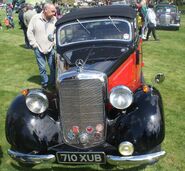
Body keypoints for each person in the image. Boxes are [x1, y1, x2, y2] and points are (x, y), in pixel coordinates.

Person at [27, 3, 57, 89]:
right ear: (45, 10)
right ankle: (45, 83)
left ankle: (53, 82)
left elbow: (56, 32)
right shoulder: (35, 18)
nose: (54, 13)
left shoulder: (54, 19)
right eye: (52, 11)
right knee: (42, 67)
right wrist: (34, 44)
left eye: (54, 11)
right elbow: (29, 32)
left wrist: (54, 41)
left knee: (52, 67)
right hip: (38, 48)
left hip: (50, 47)